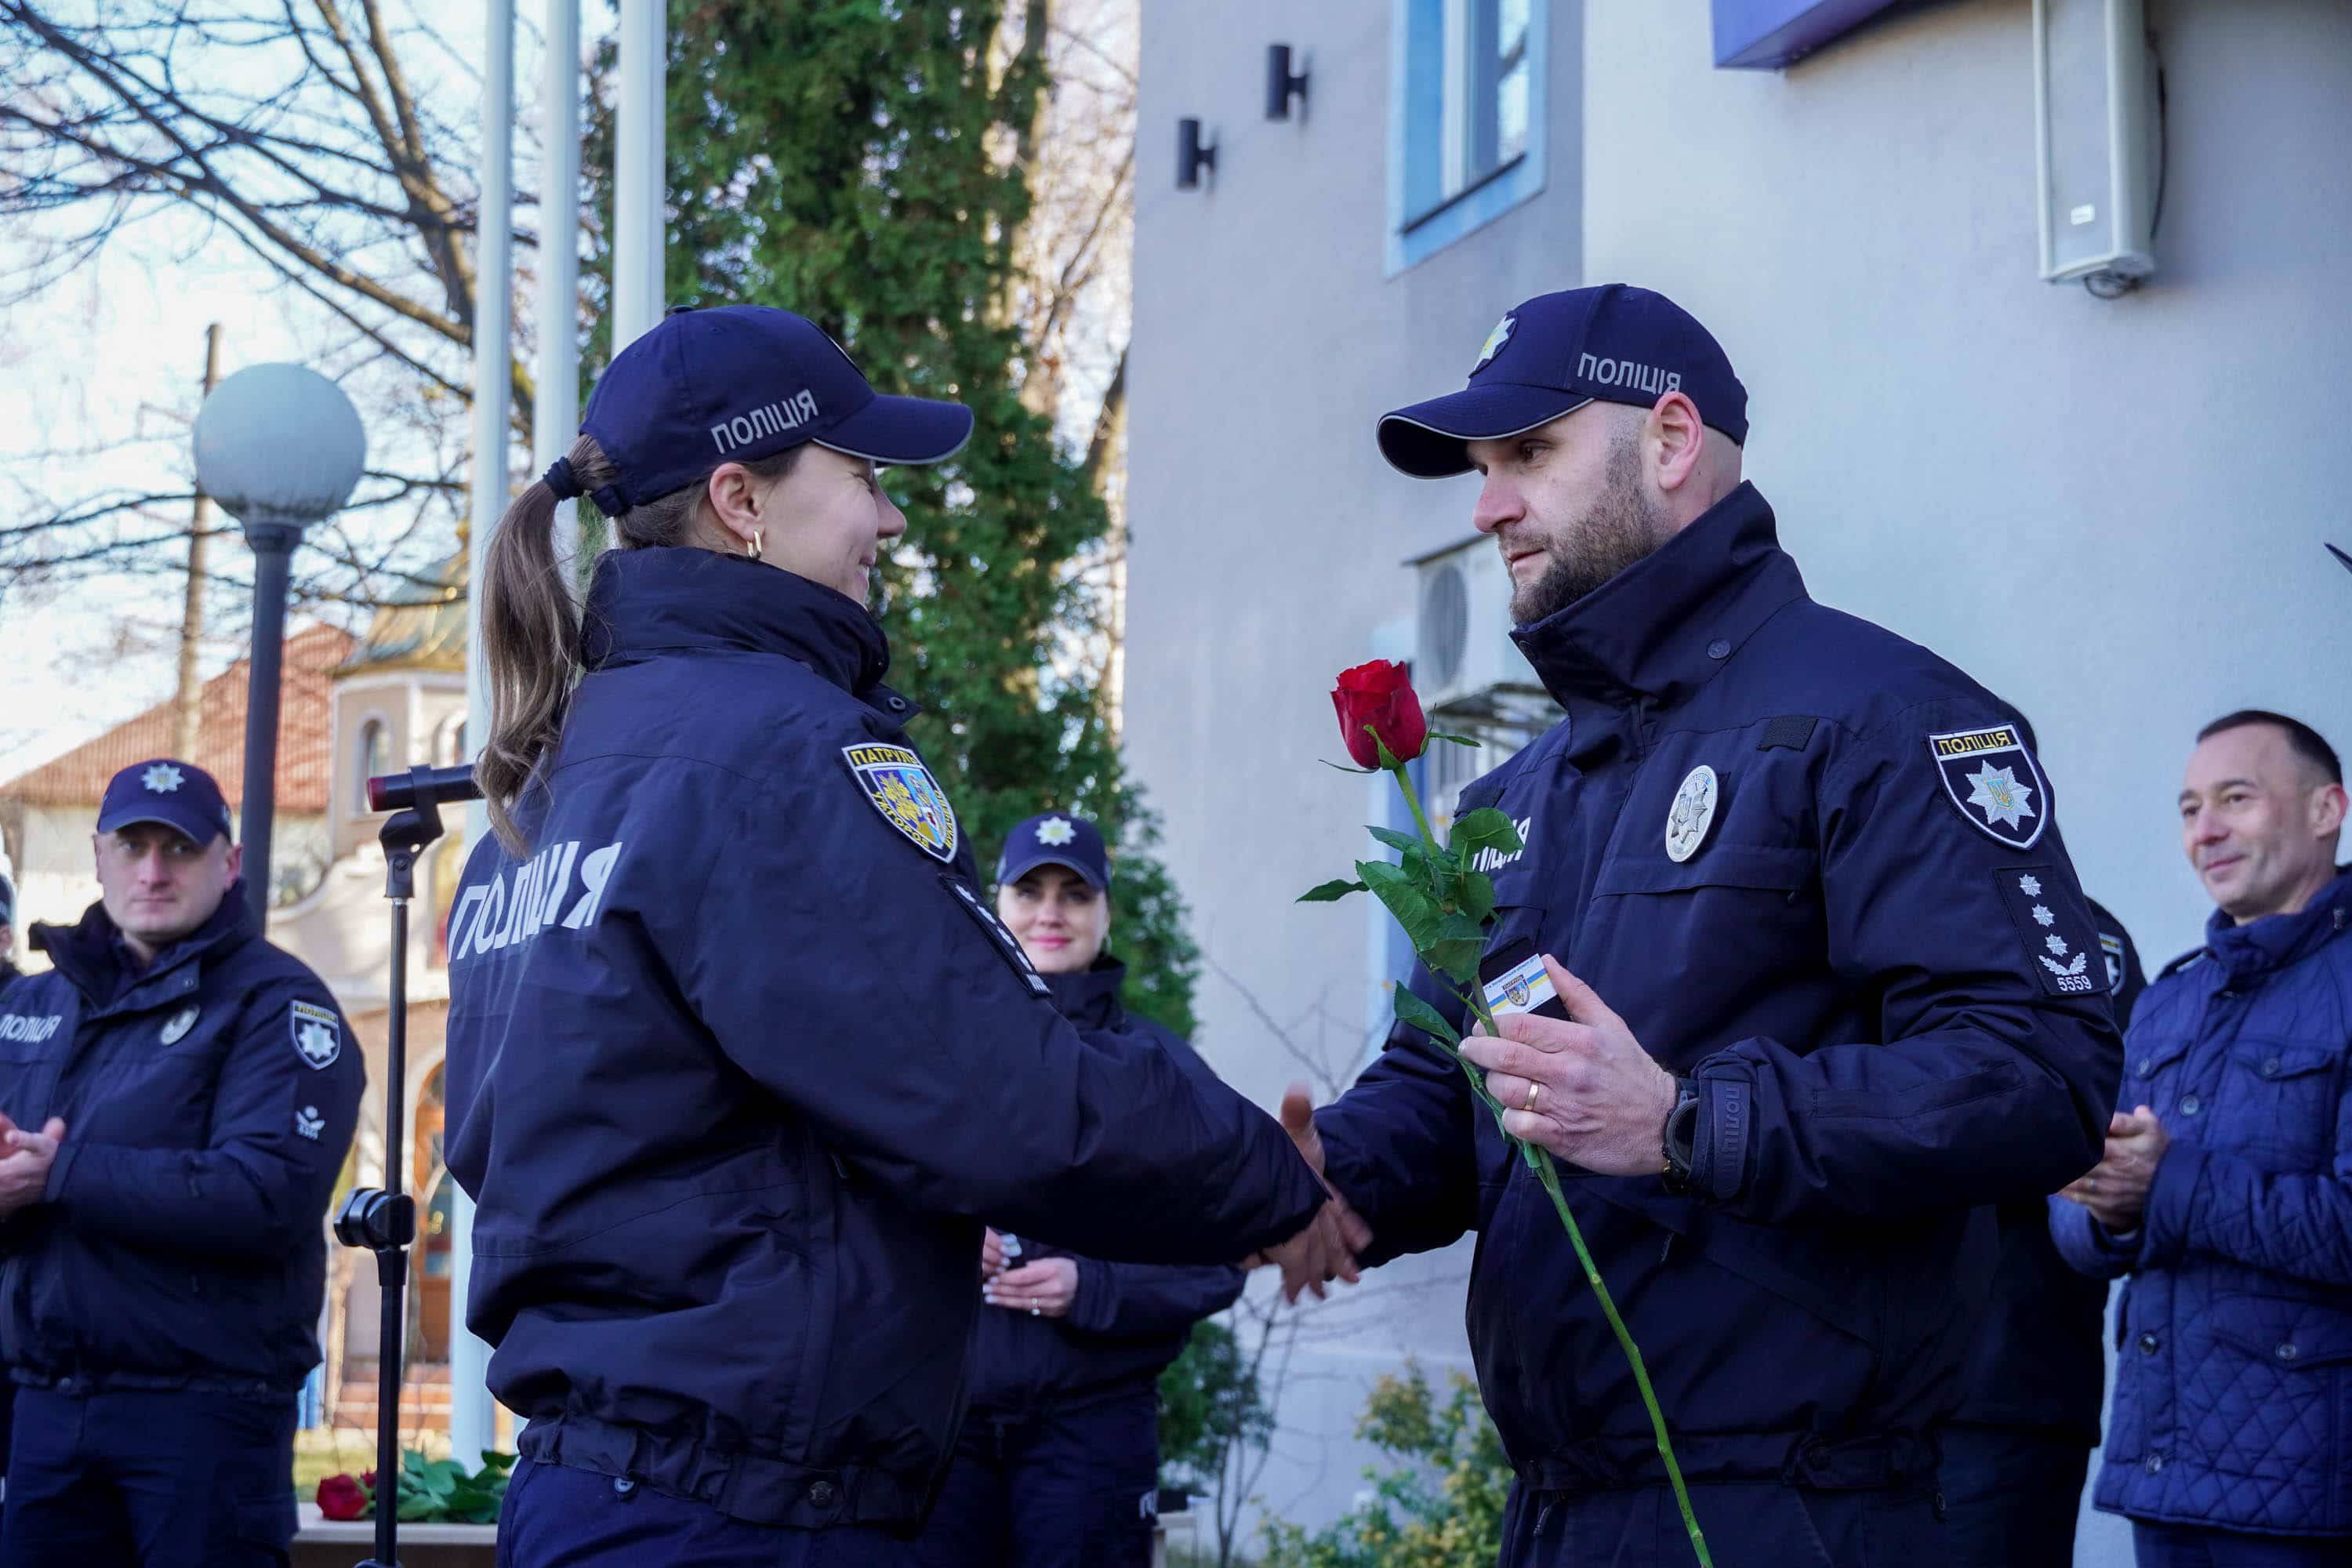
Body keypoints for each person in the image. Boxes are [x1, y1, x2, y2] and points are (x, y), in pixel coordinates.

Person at [444, 304, 1344, 1566]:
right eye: (862, 475)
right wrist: (1278, 1186)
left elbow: (505, 1151)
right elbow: (1004, 1098)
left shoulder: (533, 800)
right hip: (742, 1515)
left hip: (589, 1496)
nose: (890, 516)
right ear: (741, 500)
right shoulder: (777, 752)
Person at [1283, 284, 2122, 1567]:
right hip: (1561, 1509)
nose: (1487, 504)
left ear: (1670, 442)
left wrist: (1684, 1123)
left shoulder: (1881, 717)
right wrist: (1328, 1180)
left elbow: (2037, 1076)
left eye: (1529, 455)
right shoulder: (1515, 801)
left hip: (1810, 1512)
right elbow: (1452, 1087)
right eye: (1482, 468)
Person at [0, 759, 362, 1566]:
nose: (153, 870)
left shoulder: (279, 1005)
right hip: (46, 1413)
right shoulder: (31, 1005)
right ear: (99, 855)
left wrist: (59, 1174)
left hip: (203, 1422)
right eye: (132, 845)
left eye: (180, 848)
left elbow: (266, 1193)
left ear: (228, 863)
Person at [2053, 710, 2352, 1568]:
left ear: (2327, 809)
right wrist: (2104, 1211)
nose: (2206, 829)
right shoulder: (2168, 1000)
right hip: (2163, 1474)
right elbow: (2074, 1215)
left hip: (2312, 1494)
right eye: (2189, 809)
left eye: (2236, 798)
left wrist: (2165, 1183)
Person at [913, 811, 1247, 1568]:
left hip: (1091, 1434)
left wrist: (1091, 1286)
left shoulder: (1162, 1070)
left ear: (1106, 913)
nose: (1051, 912)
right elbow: (854, 1209)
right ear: (995, 905)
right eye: (1030, 891)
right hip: (941, 1426)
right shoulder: (933, 1051)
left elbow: (1225, 1253)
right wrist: (941, 1240)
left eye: (1075, 892)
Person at [1943, 895, 2147, 1568]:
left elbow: (2099, 1138)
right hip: (1830, 1402)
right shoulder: (1832, 912)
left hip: (2002, 1392)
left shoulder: (2070, 929)